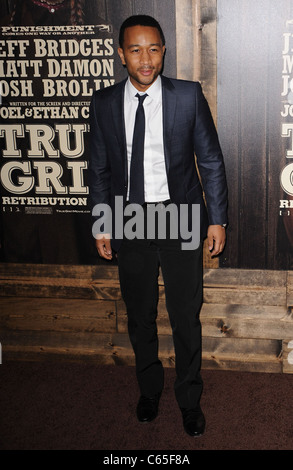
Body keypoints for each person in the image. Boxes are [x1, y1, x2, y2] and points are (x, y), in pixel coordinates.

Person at [89, 15, 228, 437]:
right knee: (141, 316)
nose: (145, 59)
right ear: (121, 54)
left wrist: (217, 218)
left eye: (153, 49)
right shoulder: (104, 102)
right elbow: (97, 168)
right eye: (135, 49)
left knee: (186, 315)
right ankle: (149, 390)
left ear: (164, 51)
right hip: (129, 216)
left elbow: (211, 162)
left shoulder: (187, 97)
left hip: (181, 213)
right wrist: (101, 224)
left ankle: (189, 399)